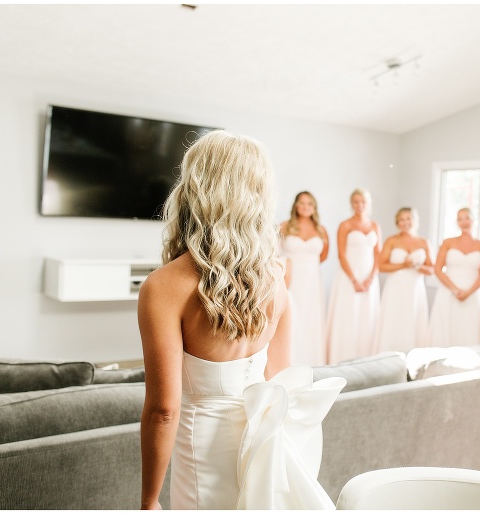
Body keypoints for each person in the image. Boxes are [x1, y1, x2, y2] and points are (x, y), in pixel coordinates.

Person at [138, 130, 345, 510]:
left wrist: (149, 500)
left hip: (201, 453)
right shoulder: (276, 278)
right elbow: (279, 379)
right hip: (261, 453)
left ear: (194, 188)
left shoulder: (164, 286)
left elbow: (164, 410)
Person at [326, 188, 381, 364]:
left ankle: (366, 358)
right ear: (351, 204)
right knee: (348, 315)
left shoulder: (375, 226)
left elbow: (378, 255)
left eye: (363, 201)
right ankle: (343, 357)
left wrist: (371, 278)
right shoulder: (345, 225)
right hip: (349, 277)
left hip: (370, 279)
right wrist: (354, 280)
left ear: (368, 203)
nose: (359, 205)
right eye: (356, 202)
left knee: (367, 316)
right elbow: (341, 255)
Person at [279, 191, 330, 367]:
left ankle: (313, 361)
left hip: (313, 281)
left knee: (312, 319)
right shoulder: (284, 226)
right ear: (295, 206)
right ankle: (291, 360)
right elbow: (274, 254)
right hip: (291, 279)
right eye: (301, 203)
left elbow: (323, 256)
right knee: (293, 315)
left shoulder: (321, 230)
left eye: (309, 203)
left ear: (314, 207)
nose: (305, 206)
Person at [373, 207, 433, 353]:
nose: (405, 222)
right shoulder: (392, 241)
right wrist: (403, 265)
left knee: (412, 320)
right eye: (401, 220)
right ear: (397, 223)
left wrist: (417, 266)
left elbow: (431, 270)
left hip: (415, 289)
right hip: (395, 287)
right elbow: (381, 266)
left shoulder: (424, 242)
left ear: (415, 220)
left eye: (408, 219)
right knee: (394, 319)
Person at [427, 208, 480, 347]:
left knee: (468, 330)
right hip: (448, 293)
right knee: (446, 330)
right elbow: (438, 269)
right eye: (460, 219)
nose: (464, 222)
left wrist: (468, 292)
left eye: (466, 218)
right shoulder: (448, 242)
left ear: (473, 220)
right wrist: (455, 290)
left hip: (472, 295)